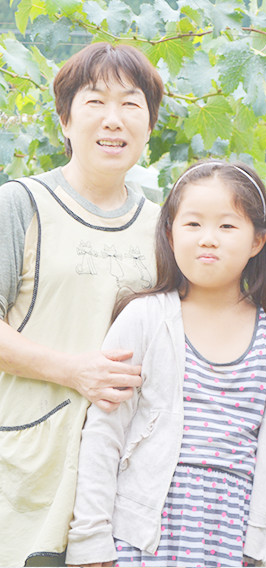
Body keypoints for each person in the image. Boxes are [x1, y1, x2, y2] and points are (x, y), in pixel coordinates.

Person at [66, 160, 266, 568]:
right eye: (193, 225)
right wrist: (91, 541)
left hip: (234, 539)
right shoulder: (144, 318)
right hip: (143, 537)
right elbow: (104, 434)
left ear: (258, 240)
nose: (208, 240)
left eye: (227, 226)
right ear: (169, 233)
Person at [0, 43, 164, 567]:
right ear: (65, 121)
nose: (112, 120)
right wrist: (75, 371)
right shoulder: (20, 204)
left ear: (150, 125)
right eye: (95, 102)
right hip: (26, 462)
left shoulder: (164, 227)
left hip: (119, 477)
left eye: (131, 104)